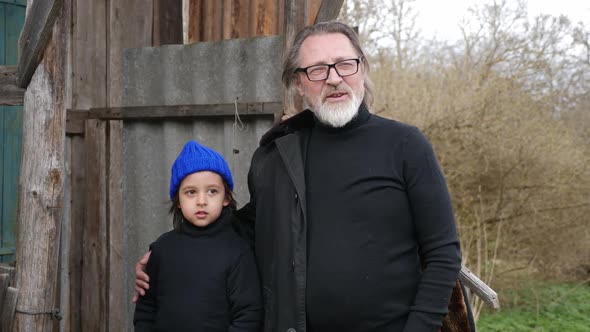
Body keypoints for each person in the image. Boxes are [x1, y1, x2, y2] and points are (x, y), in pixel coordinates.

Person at [135, 21, 472, 332]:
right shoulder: (276, 155)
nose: (334, 77)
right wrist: (171, 254)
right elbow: (248, 228)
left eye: (344, 63)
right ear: (298, 82)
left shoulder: (405, 145)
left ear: (362, 68)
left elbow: (442, 254)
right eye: (317, 69)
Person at [133, 140, 262, 332]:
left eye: (212, 191)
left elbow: (248, 315)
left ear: (226, 198)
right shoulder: (162, 249)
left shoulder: (237, 251)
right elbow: (145, 310)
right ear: (177, 200)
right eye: (191, 192)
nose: (201, 201)